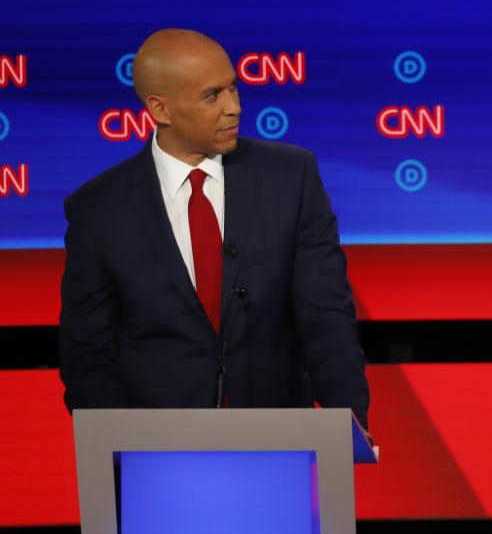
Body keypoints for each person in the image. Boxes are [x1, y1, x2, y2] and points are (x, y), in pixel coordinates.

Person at [59, 29, 370, 431]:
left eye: (234, 88)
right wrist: (123, 446)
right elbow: (87, 353)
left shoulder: (291, 178)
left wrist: (345, 420)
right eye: (212, 96)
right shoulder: (98, 209)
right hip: (155, 451)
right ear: (161, 109)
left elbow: (327, 316)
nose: (234, 107)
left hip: (276, 440)